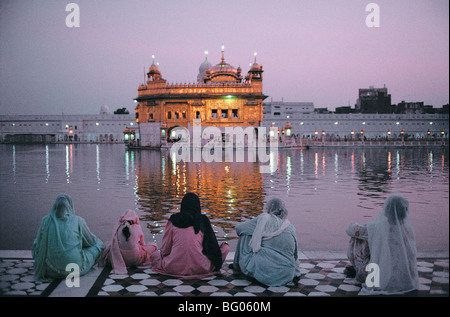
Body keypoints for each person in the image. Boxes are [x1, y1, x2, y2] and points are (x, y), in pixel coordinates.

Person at [345, 195, 419, 295]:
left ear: (387, 210)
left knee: (358, 239)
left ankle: (360, 274)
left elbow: (351, 230)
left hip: (380, 278)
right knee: (370, 237)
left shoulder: (377, 228)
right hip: (405, 279)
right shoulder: (407, 231)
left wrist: (353, 223)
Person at [150, 192, 229, 279]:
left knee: (155, 255)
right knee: (225, 247)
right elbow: (212, 248)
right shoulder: (203, 221)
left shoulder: (173, 221)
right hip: (202, 267)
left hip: (173, 268)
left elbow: (165, 250)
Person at [32, 194, 104, 282]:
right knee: (99, 244)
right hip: (74, 269)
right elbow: (91, 241)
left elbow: (37, 245)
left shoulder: (46, 221)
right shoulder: (78, 221)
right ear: (70, 206)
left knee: (37, 242)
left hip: (48, 269)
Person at [232, 198, 301, 287]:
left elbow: (239, 228)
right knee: (251, 232)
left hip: (264, 272)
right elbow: (295, 254)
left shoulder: (264, 219)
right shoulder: (290, 226)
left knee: (245, 234)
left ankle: (238, 265)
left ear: (268, 208)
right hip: (287, 273)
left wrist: (256, 230)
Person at [99, 209, 158, 274]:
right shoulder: (137, 227)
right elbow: (142, 244)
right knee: (153, 245)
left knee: (108, 244)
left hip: (120, 258)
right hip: (135, 259)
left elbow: (114, 243)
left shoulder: (118, 227)